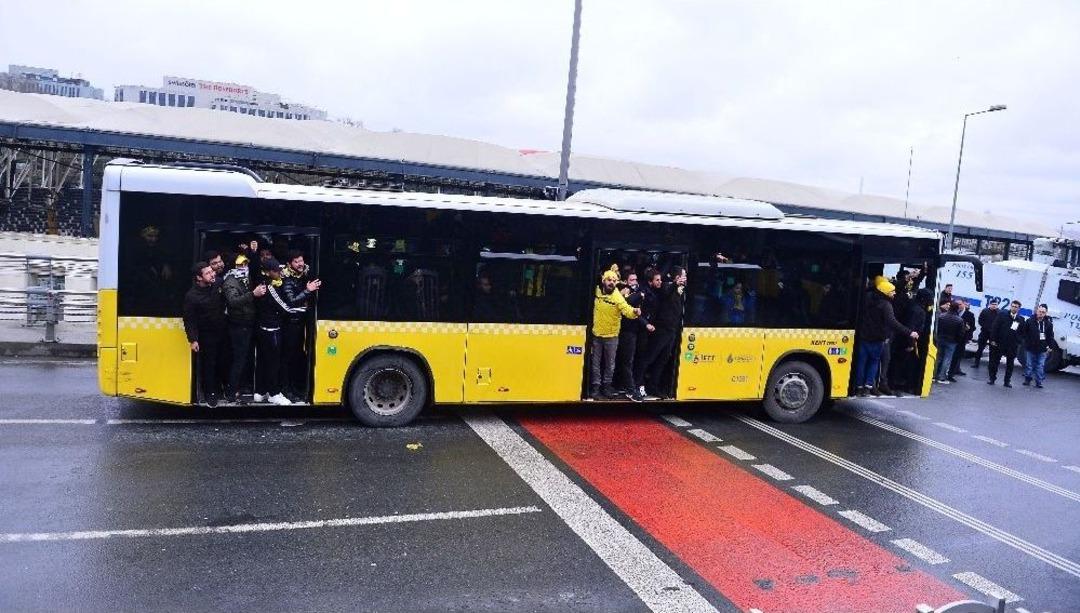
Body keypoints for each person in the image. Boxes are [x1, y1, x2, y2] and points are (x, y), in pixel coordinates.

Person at [854, 277, 918, 397]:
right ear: (885, 292)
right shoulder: (885, 305)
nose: (894, 293)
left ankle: (858, 387)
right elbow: (892, 322)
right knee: (874, 363)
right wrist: (909, 332)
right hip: (877, 340)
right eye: (892, 291)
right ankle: (867, 388)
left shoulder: (867, 298)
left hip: (863, 337)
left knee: (861, 363)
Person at [221, 254, 267, 403]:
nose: (243, 267)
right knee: (239, 359)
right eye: (240, 265)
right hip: (239, 325)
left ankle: (244, 386)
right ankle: (231, 391)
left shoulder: (246, 277)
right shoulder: (230, 281)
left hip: (249, 322)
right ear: (234, 266)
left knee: (247, 357)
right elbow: (233, 301)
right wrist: (253, 294)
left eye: (245, 264)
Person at [589, 267, 640, 400]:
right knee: (595, 363)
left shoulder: (617, 297)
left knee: (610, 364)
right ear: (603, 281)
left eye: (614, 280)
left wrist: (634, 312)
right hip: (596, 334)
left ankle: (606, 386)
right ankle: (595, 387)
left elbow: (627, 310)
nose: (611, 282)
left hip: (611, 336)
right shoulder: (596, 291)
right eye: (609, 280)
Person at [637, 266, 687, 399]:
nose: (685, 278)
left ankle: (653, 385)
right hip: (661, 330)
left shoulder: (680, 291)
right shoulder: (665, 287)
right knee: (650, 357)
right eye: (683, 276)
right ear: (677, 278)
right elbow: (666, 292)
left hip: (672, 331)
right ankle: (638, 383)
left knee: (663, 359)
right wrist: (675, 285)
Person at [182, 261, 228, 407]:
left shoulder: (218, 283)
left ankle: (222, 387)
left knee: (223, 360)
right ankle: (210, 393)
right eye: (208, 273)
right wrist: (193, 340)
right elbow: (189, 320)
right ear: (199, 278)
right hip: (206, 335)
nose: (212, 274)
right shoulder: (192, 296)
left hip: (222, 330)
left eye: (211, 271)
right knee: (209, 364)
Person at [280, 250, 322, 402]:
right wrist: (307, 290)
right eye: (296, 261)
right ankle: (285, 389)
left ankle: (295, 387)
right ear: (290, 263)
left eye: (301, 260)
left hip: (302, 323)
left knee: (298, 356)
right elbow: (291, 301)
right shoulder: (285, 278)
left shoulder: (306, 273)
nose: (300, 264)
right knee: (287, 358)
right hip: (290, 324)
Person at [253, 258, 292, 406]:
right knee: (274, 363)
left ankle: (260, 392)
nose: (279, 273)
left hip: (263, 328)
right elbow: (284, 307)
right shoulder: (269, 287)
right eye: (276, 271)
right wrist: (302, 308)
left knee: (263, 361)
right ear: (268, 272)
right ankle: (274, 393)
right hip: (272, 330)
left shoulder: (261, 283)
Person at [632, 268, 662, 400]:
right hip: (641, 330)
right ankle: (638, 384)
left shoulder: (655, 291)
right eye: (657, 280)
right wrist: (646, 324)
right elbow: (637, 312)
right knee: (641, 358)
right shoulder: (643, 292)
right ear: (650, 281)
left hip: (650, 329)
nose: (660, 282)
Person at [987, 299, 1025, 388]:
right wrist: (993, 340)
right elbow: (995, 327)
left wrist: (1018, 341)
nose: (1014, 308)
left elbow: (1022, 333)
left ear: (1019, 309)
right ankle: (992, 379)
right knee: (995, 362)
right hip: (999, 343)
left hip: (1012, 345)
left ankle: (1007, 381)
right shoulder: (1002, 315)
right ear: (1010, 306)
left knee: (1010, 364)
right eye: (1013, 306)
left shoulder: (1020, 319)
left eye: (1016, 307)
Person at [1020, 305, 1059, 388]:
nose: (1041, 313)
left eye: (1043, 312)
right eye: (1039, 311)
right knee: (1029, 365)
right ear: (1037, 311)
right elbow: (1024, 332)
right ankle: (1027, 379)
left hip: (1042, 349)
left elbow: (1050, 336)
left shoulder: (1048, 324)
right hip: (1030, 347)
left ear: (1046, 313)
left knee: (1040, 366)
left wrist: (1050, 347)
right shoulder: (1030, 321)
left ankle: (1039, 382)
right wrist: (1027, 341)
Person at [934, 301, 965, 384]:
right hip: (952, 341)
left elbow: (937, 328)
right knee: (947, 359)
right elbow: (961, 333)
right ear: (957, 309)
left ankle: (934, 375)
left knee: (938, 357)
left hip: (941, 339)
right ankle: (942, 377)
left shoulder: (942, 316)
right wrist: (957, 340)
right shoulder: (959, 320)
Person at [949, 299, 976, 377]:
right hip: (952, 337)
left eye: (960, 304)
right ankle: (951, 370)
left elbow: (973, 327)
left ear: (964, 304)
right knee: (951, 354)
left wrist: (969, 329)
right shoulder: (954, 312)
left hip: (963, 338)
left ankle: (955, 370)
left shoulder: (970, 315)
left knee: (958, 355)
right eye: (957, 304)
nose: (959, 306)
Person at [972, 298, 1000, 369]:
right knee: (980, 348)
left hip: (993, 335)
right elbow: (980, 321)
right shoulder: (985, 311)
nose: (994, 306)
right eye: (993, 304)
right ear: (990, 305)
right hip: (984, 332)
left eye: (995, 305)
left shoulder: (999, 313)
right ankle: (976, 363)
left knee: (992, 350)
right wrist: (986, 327)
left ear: (997, 305)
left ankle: (990, 365)